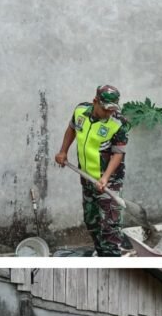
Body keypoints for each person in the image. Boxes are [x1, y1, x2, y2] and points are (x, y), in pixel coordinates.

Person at [55, 84, 130, 256]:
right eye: (105, 109)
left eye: (112, 110)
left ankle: (111, 257)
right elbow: (71, 129)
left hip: (109, 182)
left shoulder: (119, 123)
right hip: (87, 178)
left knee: (110, 227)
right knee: (91, 221)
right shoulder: (80, 111)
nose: (108, 113)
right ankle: (101, 253)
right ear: (95, 102)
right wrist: (63, 151)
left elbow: (117, 154)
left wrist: (105, 178)